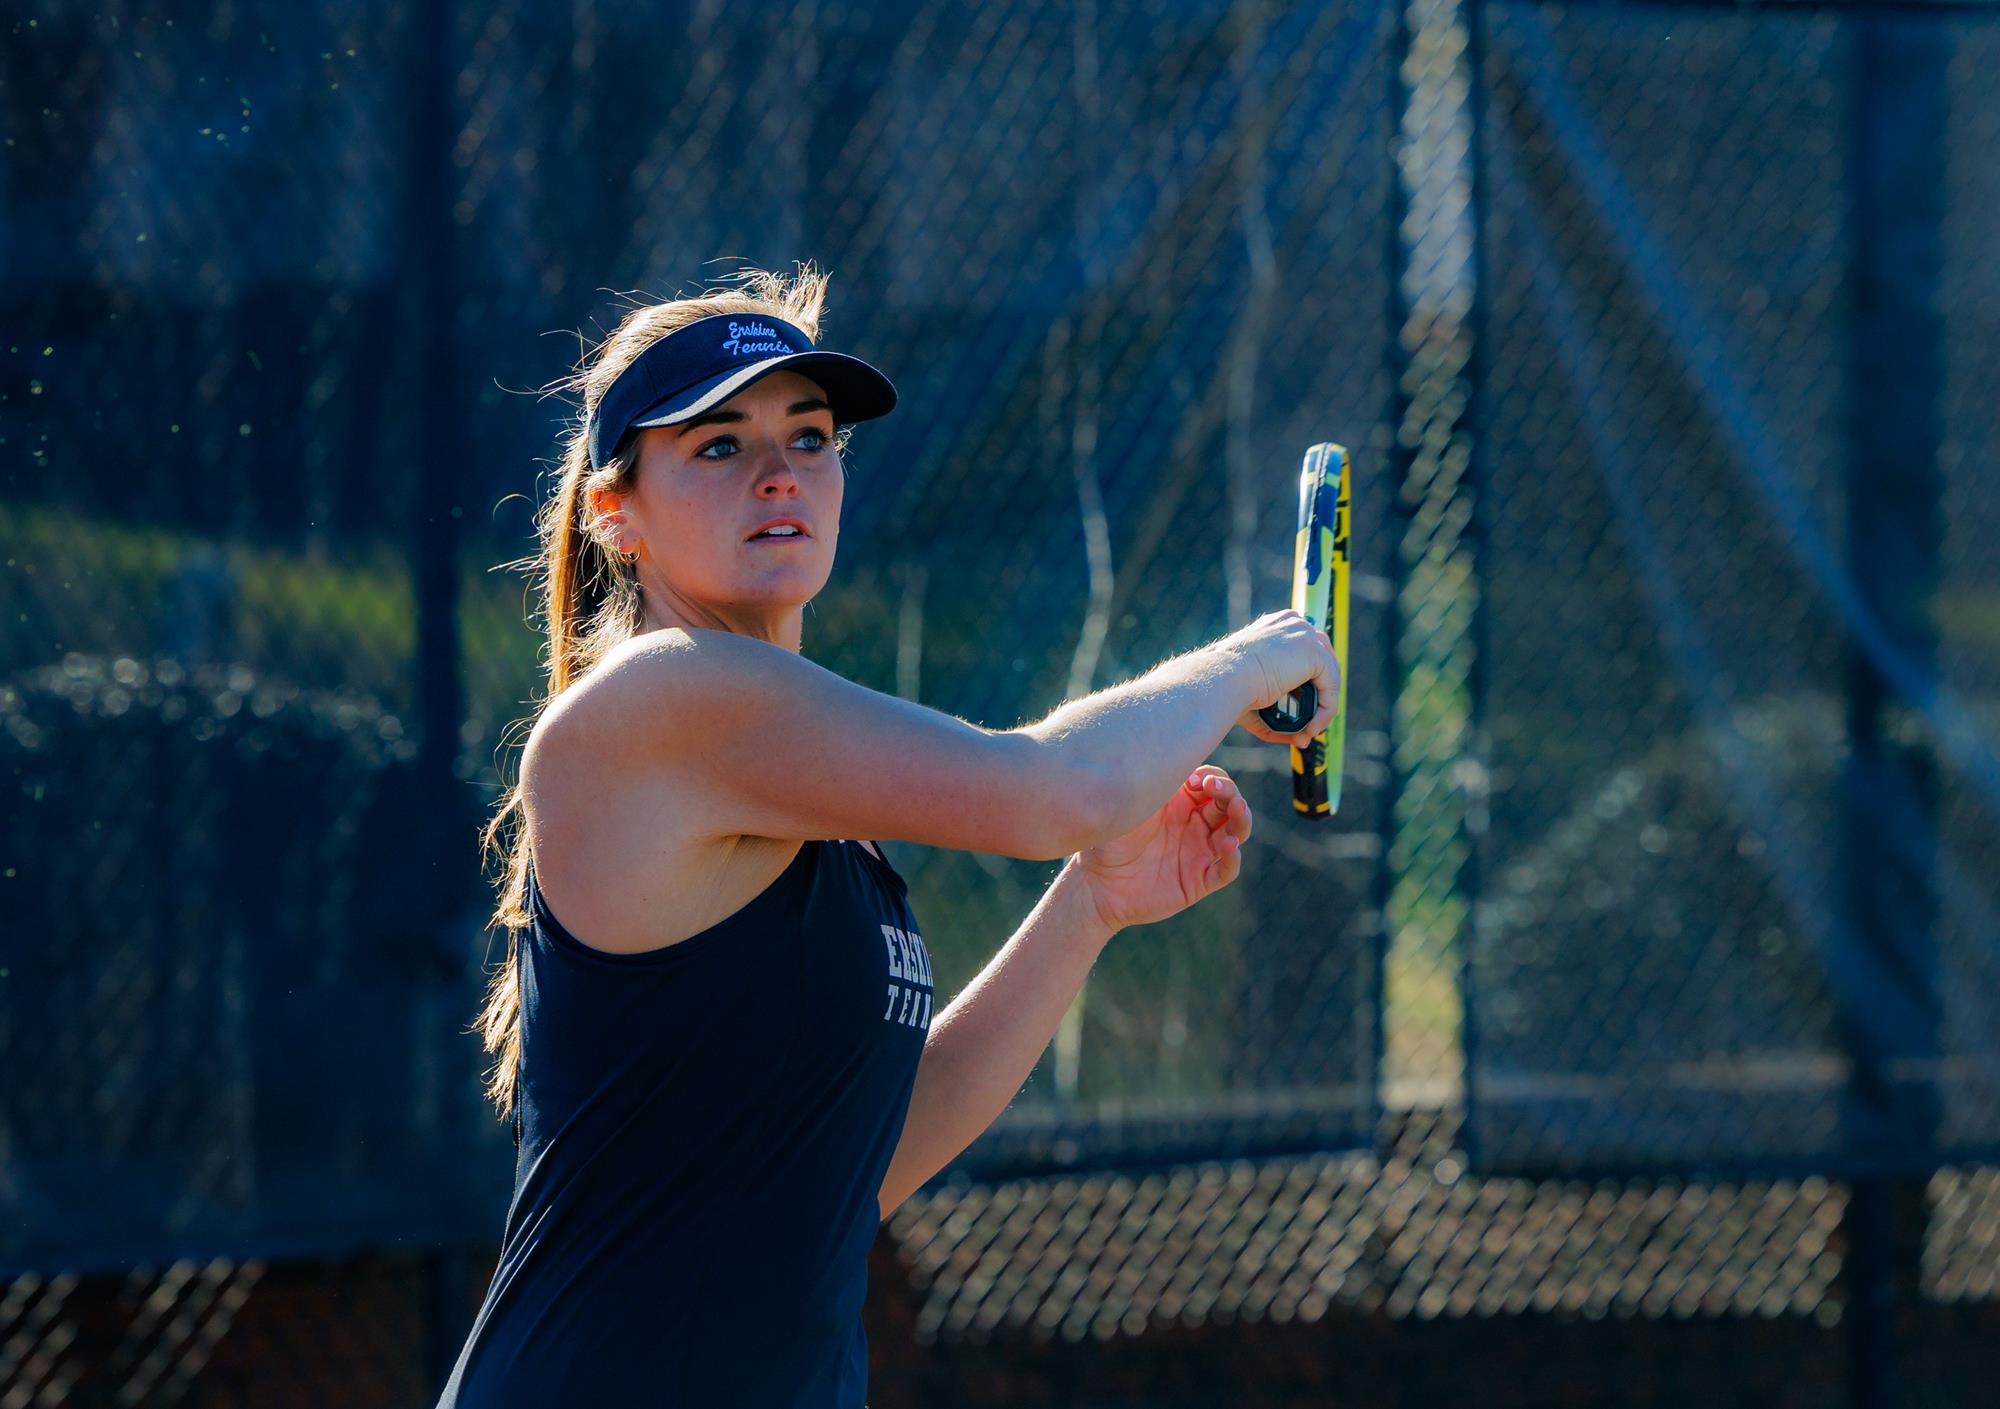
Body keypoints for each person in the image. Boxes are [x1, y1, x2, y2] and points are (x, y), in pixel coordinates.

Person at [434, 264, 1340, 1407]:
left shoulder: (788, 771)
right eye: (718, 445)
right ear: (617, 515)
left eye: (808, 437)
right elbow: (1048, 787)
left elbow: (854, 1167)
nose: (778, 471)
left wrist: (1092, 900)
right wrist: (1260, 655)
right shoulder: (657, 700)